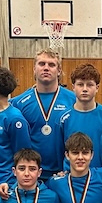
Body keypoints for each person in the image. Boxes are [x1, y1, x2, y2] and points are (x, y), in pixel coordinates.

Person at [13, 49, 76, 178]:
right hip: (30, 175)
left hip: (63, 174)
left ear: (59, 71)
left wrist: (68, 169)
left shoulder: (74, 100)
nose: (46, 68)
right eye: (42, 64)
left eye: (51, 65)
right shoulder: (18, 103)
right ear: (34, 69)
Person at [59, 64, 102, 169]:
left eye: (89, 85)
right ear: (73, 87)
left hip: (101, 175)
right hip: (72, 175)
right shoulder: (63, 118)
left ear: (97, 88)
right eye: (80, 84)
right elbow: (59, 150)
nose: (85, 89)